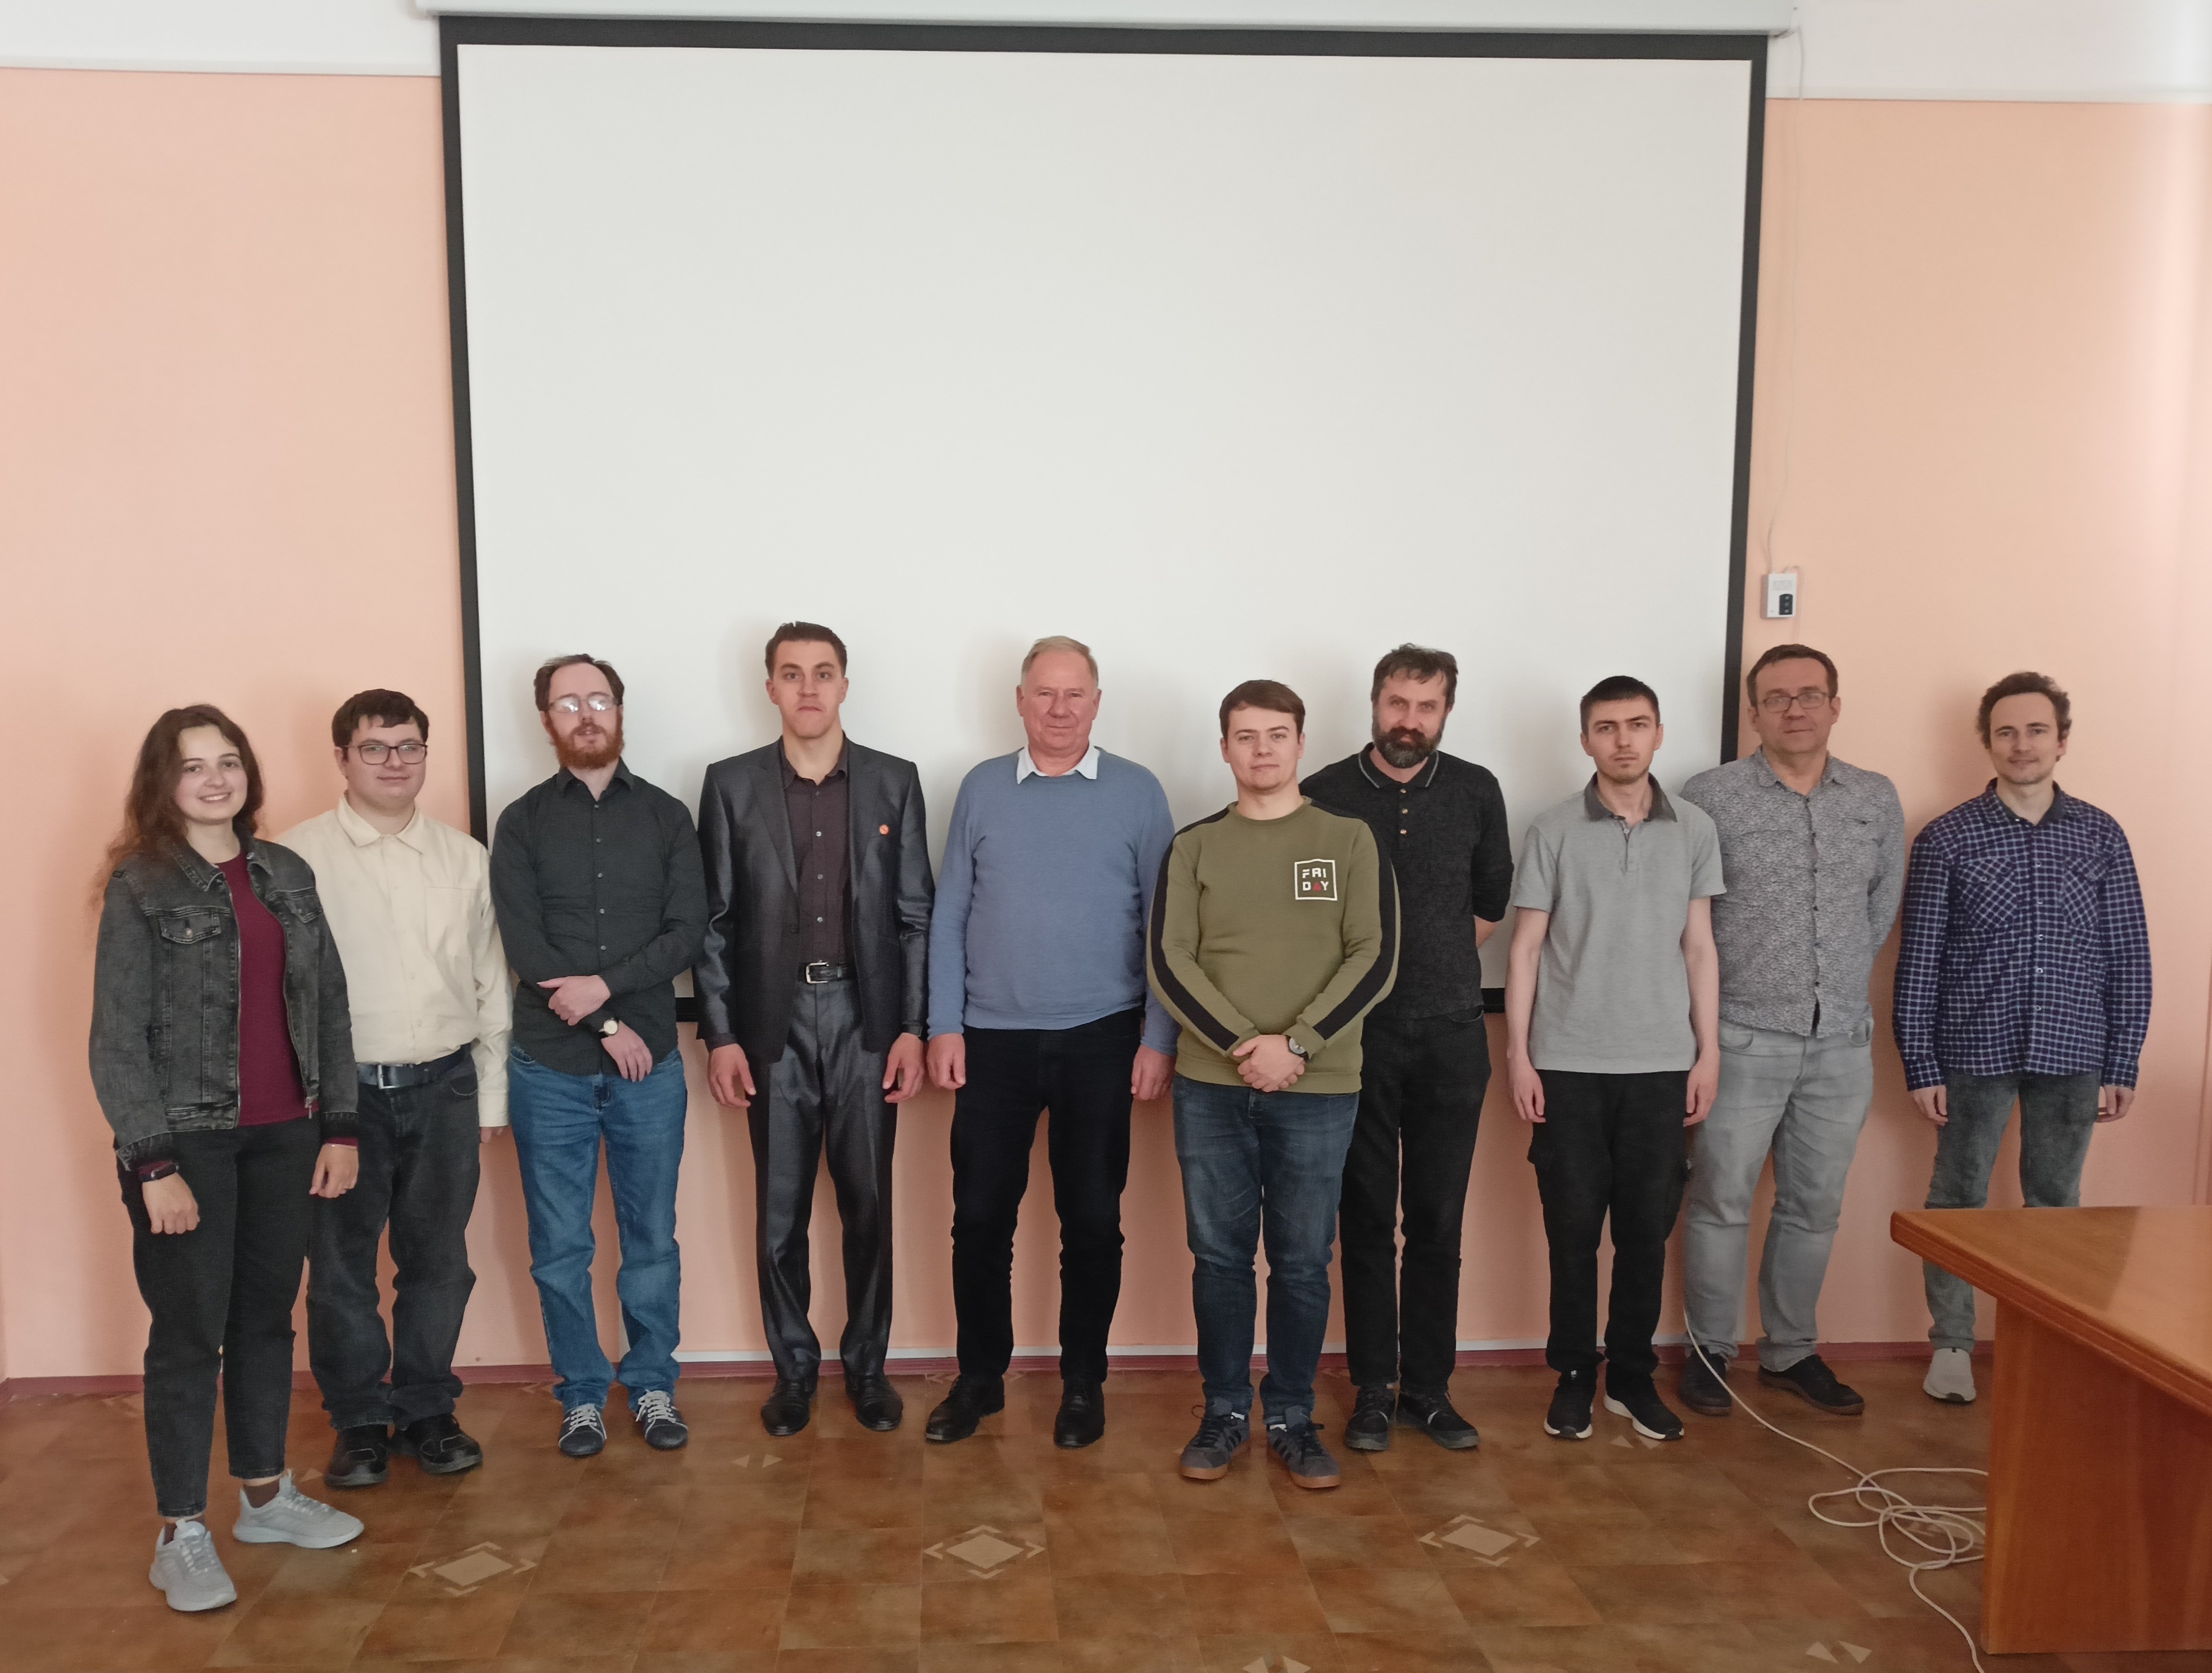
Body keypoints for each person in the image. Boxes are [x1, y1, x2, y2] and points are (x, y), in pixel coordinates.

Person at [89, 706, 366, 1613]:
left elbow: (329, 1006)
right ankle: (181, 1531)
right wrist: (152, 1164)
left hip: (289, 1134)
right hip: (187, 1143)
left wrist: (340, 1127)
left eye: (229, 762)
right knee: (187, 1334)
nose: (216, 780)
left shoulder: (287, 871)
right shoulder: (142, 884)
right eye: (193, 766)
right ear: (163, 783)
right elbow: (116, 1038)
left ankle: (264, 1496)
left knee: (265, 1320)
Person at [922, 637, 1177, 1448]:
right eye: (1045, 693)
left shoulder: (1138, 792)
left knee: (1093, 1221)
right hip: (991, 1039)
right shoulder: (981, 788)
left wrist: (1160, 1037)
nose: (1060, 709)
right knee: (979, 1219)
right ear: (1021, 701)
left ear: (1097, 702)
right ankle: (979, 1379)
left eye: (1075, 694)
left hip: (1103, 1036)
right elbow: (950, 914)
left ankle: (1082, 1383)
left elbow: (1167, 926)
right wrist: (943, 1023)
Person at [1149, 680, 1398, 1490]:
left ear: (1300, 743)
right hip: (1211, 1088)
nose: (1262, 749)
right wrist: (1239, 1046)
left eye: (1277, 734)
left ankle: (1291, 1414)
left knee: (1300, 1262)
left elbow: (1374, 957)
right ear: (1224, 748)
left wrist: (1296, 1044)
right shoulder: (1194, 846)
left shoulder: (1349, 839)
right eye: (1246, 736)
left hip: (1318, 1088)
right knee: (1219, 1258)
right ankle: (1224, 1411)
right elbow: (1169, 961)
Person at [696, 623, 933, 1437]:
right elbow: (714, 923)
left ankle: (868, 1369)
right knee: (780, 1213)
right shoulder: (730, 785)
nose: (808, 688)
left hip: (869, 1025)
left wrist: (913, 1028)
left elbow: (914, 917)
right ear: (770, 687)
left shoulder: (895, 781)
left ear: (844, 686)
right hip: (773, 1026)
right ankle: (793, 1373)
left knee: (870, 1208)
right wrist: (721, 1035)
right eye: (792, 674)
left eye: (823, 673)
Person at [1894, 671, 2150, 1406]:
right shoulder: (1947, 838)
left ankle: (2045, 1344)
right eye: (2006, 731)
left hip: (2076, 1050)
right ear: (1988, 742)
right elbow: (1921, 959)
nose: (2022, 744)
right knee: (1956, 1198)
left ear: (2061, 740)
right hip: (1972, 1048)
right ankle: (1951, 1344)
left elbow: (2128, 954)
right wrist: (1920, 1061)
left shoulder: (2101, 835)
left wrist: (2123, 1058)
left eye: (2037, 730)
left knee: (2056, 1203)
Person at [283, 690, 512, 1485]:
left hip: (445, 1087)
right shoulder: (294, 859)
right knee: (339, 1266)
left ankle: (426, 1410)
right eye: (375, 748)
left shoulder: (464, 858)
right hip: (340, 1100)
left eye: (409, 746)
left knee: (439, 1260)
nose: (394, 762)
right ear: (342, 758)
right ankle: (358, 1421)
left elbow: (491, 985)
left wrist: (491, 1097)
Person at [1676, 646, 1905, 1418]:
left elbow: (1879, 910)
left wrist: (1830, 984)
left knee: (1814, 1206)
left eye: (1811, 695)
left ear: (1836, 706)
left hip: (1841, 1041)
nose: (1795, 709)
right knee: (1719, 1202)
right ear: (1754, 713)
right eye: (1777, 698)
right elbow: (1688, 920)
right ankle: (1710, 1351)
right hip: (1740, 1037)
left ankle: (1791, 1350)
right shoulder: (1710, 797)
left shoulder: (1874, 797)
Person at [491, 655, 706, 1457]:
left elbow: (686, 930)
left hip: (651, 1068)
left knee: (651, 1240)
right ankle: (581, 1394)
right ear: (547, 719)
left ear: (619, 710)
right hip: (550, 1069)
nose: (587, 714)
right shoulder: (520, 822)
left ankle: (651, 1384)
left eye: (600, 700)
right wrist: (607, 1026)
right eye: (568, 703)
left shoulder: (666, 816)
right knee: (560, 1249)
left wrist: (608, 995)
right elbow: (525, 944)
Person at [1303, 644, 1511, 1453]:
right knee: (1362, 1220)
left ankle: (1429, 1388)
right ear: (1374, 703)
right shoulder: (1323, 792)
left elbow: (1489, 902)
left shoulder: (1476, 789)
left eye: (1426, 707)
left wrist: (1431, 964)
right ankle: (1372, 1391)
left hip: (1453, 1036)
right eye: (1397, 703)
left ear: (1446, 711)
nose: (1409, 720)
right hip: (1356, 1041)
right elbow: (1311, 915)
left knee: (1436, 1221)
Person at [1504, 675, 1723, 1445]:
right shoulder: (1553, 828)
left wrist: (1708, 1053)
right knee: (1571, 1232)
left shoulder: (1694, 828)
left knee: (1644, 1233)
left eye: (1637, 724)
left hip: (1661, 1065)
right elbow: (1525, 949)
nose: (1623, 739)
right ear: (1585, 739)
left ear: (1659, 733)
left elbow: (1700, 947)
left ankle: (1631, 1377)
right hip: (1567, 1063)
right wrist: (1520, 1056)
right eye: (1606, 726)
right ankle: (1573, 1376)